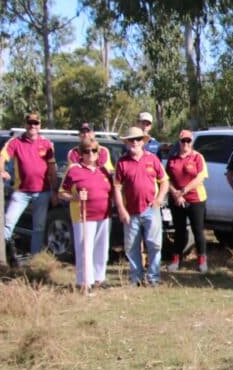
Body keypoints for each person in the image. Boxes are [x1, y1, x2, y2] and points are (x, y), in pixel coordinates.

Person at [114, 126, 169, 286]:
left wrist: (159, 199)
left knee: (154, 245)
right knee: (131, 247)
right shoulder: (122, 162)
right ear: (127, 142)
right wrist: (121, 209)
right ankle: (135, 278)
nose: (135, 142)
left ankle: (153, 278)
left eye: (138, 139)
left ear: (142, 141)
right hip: (130, 211)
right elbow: (116, 187)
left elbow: (164, 180)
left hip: (150, 209)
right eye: (131, 140)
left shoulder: (152, 159)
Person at [59, 140, 113, 295]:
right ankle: (85, 282)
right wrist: (75, 196)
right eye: (87, 151)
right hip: (84, 215)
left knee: (102, 249)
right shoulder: (74, 170)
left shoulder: (103, 170)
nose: (91, 154)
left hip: (104, 214)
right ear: (81, 154)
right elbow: (62, 193)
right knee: (85, 249)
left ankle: (99, 279)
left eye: (94, 151)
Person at [0, 112, 56, 255]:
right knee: (7, 223)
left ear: (39, 125)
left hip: (42, 191)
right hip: (21, 192)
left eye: (35, 123)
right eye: (30, 123)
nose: (32, 126)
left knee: (39, 228)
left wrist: (55, 191)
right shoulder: (15, 142)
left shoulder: (47, 144)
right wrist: (1, 171)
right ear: (25, 125)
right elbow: (2, 157)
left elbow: (52, 169)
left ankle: (35, 259)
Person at [165, 129, 210, 273]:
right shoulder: (172, 158)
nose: (185, 143)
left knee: (198, 230)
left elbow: (200, 177)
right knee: (179, 231)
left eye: (188, 141)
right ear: (179, 141)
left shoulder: (197, 157)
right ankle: (176, 260)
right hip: (177, 199)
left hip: (196, 199)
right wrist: (176, 194)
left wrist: (183, 191)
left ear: (192, 142)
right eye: (183, 141)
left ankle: (202, 261)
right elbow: (166, 179)